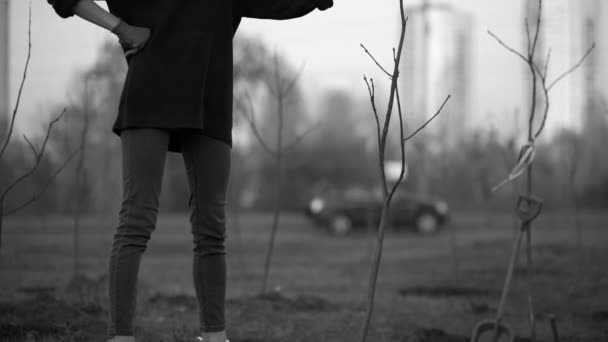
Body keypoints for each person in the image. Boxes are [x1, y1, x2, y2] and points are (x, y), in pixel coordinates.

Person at [46, 1, 334, 341]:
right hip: (150, 94)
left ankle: (215, 336)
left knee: (212, 228)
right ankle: (120, 336)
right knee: (137, 219)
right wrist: (121, 28)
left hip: (210, 104)